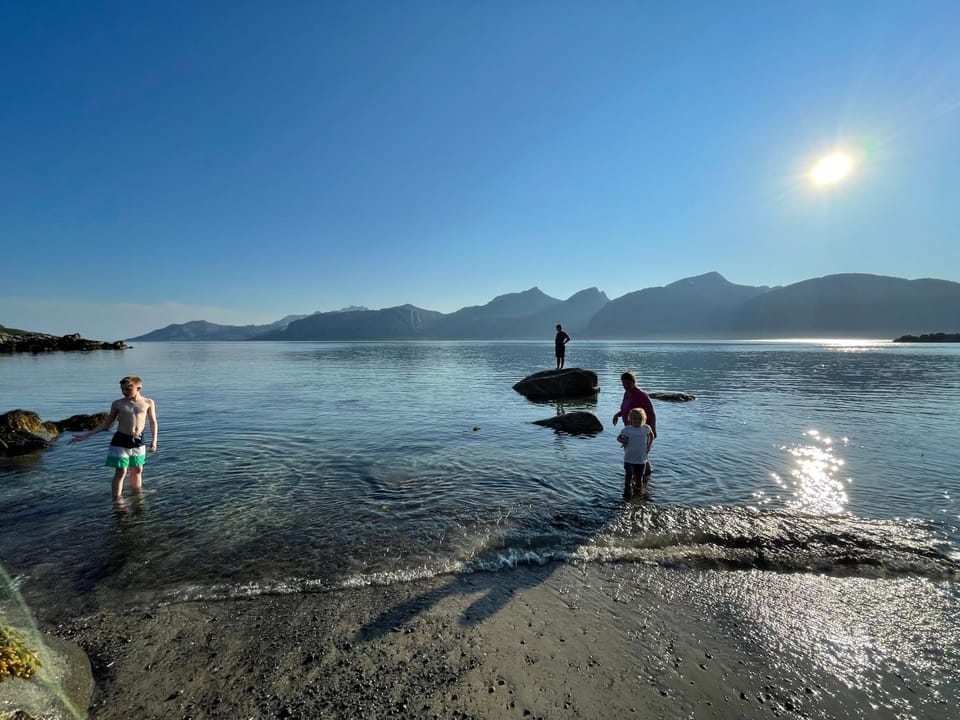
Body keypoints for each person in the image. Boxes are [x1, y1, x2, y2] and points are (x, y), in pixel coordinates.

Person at [70, 375, 158, 500]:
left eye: (128, 389)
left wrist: (154, 440)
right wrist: (85, 436)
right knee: (121, 471)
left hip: (138, 440)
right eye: (122, 389)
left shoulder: (148, 402)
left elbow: (153, 422)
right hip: (120, 440)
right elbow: (106, 424)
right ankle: (117, 500)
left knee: (138, 469)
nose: (124, 392)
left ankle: (137, 495)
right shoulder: (118, 404)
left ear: (139, 388)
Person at [611, 370, 656, 476]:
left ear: (633, 382)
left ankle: (644, 476)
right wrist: (618, 414)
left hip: (642, 430)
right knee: (636, 454)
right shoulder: (627, 394)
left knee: (642, 454)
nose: (625, 386)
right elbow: (626, 409)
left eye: (627, 383)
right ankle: (643, 478)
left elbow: (651, 413)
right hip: (630, 430)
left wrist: (653, 429)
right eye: (623, 384)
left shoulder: (641, 395)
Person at [617, 408, 653, 499]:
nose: (637, 421)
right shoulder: (627, 429)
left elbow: (651, 435)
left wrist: (649, 445)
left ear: (643, 419)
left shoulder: (646, 428)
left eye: (639, 419)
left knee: (639, 479)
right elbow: (619, 438)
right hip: (629, 458)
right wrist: (622, 440)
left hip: (641, 459)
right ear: (630, 419)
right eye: (634, 419)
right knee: (628, 477)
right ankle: (627, 493)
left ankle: (638, 495)